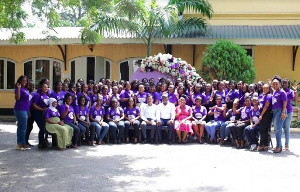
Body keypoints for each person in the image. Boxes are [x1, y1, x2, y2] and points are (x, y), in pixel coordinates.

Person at [14, 75, 31, 151]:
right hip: (20, 109)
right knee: (22, 127)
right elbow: (17, 98)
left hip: (25, 110)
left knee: (22, 127)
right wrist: (18, 88)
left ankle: (21, 143)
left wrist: (28, 111)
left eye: (26, 81)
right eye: (23, 80)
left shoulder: (25, 89)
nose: (25, 82)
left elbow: (27, 101)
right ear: (20, 81)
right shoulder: (18, 89)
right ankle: (21, 144)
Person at [271, 76, 287, 153]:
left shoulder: (282, 92)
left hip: (280, 111)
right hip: (275, 112)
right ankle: (279, 145)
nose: (275, 85)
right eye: (273, 84)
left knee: (278, 129)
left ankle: (279, 147)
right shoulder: (274, 92)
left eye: (276, 84)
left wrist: (283, 112)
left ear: (280, 84)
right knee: (276, 129)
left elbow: (285, 102)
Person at [282, 78, 298, 151]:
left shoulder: (290, 91)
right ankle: (279, 145)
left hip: (288, 111)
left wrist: (295, 91)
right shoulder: (280, 91)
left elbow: (295, 100)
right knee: (279, 128)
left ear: (288, 84)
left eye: (286, 83)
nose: (284, 84)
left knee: (286, 128)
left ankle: (286, 145)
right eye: (283, 83)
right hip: (280, 111)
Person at [32, 83, 49, 149]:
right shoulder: (37, 95)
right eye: (44, 87)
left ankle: (45, 141)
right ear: (41, 88)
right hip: (38, 114)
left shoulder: (47, 96)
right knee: (41, 128)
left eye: (47, 87)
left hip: (45, 114)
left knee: (46, 128)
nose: (45, 88)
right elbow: (34, 105)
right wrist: (41, 109)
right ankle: (40, 143)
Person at [257, 84, 273, 151]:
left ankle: (263, 145)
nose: (265, 90)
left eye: (266, 88)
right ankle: (264, 145)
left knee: (264, 129)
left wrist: (261, 115)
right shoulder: (261, 95)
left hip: (266, 113)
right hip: (261, 112)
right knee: (262, 129)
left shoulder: (269, 96)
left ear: (269, 89)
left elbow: (266, 106)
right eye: (264, 88)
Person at [25, 80, 35, 147]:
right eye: (30, 85)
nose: (32, 87)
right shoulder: (26, 93)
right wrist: (28, 111)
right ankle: (24, 141)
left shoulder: (34, 93)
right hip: (27, 112)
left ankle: (26, 141)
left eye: (33, 86)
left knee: (30, 127)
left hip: (33, 112)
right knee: (27, 127)